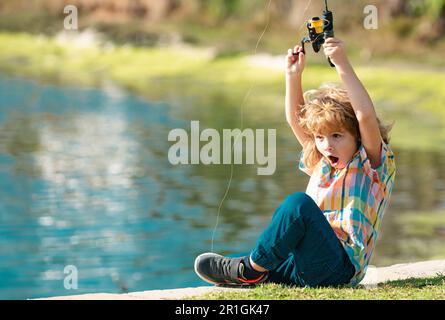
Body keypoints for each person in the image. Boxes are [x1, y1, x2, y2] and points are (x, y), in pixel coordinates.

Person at [194, 37, 396, 288]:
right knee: (287, 229)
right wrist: (293, 75)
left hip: (339, 268)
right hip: (307, 266)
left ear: (357, 136)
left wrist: (342, 63)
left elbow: (364, 115)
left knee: (298, 205)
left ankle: (249, 269)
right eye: (320, 137)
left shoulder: (370, 167)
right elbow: (295, 120)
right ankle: (259, 273)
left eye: (337, 136)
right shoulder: (323, 164)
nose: (326, 145)